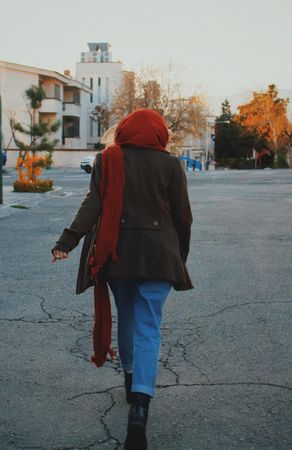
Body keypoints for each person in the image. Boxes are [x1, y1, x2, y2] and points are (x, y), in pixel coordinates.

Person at [51, 109, 193, 450]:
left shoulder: (108, 159)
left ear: (126, 131)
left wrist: (66, 241)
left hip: (118, 255)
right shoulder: (172, 165)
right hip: (160, 256)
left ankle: (131, 379)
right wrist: (179, 258)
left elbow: (93, 204)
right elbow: (183, 217)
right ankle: (140, 406)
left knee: (128, 318)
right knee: (148, 326)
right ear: (160, 135)